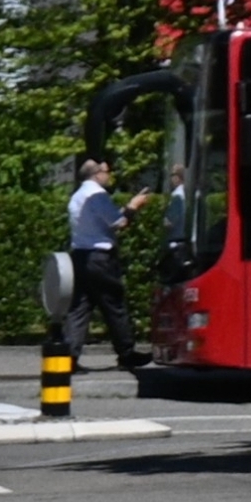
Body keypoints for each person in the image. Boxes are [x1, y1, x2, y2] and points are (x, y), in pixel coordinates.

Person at [65, 158, 153, 370]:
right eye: (106, 171)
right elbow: (119, 223)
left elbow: (104, 220)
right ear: (96, 174)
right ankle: (126, 353)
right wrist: (133, 207)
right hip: (100, 257)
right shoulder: (97, 195)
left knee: (80, 308)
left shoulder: (77, 196)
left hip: (80, 255)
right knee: (114, 305)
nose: (109, 174)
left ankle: (69, 357)